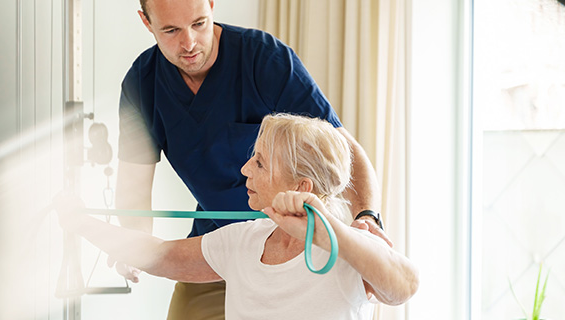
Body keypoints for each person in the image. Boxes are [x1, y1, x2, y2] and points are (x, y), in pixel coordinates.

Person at [117, 0, 389, 319]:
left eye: (199, 22)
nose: (190, 43)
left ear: (212, 2)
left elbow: (342, 147)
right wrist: (133, 244)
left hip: (292, 241)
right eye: (171, 30)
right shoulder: (142, 85)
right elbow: (133, 186)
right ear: (146, 22)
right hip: (216, 245)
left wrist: (368, 218)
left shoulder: (266, 61)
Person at [56, 114, 418, 320]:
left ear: (301, 185)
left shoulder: (348, 245)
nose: (245, 169)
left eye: (259, 162)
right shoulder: (243, 241)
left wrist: (328, 234)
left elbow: (405, 287)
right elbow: (160, 255)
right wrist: (81, 223)